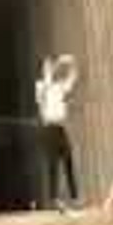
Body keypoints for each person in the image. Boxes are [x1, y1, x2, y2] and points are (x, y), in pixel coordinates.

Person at [36, 54, 79, 211]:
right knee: (52, 162)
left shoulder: (59, 86)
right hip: (48, 128)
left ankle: (74, 197)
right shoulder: (41, 86)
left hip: (60, 127)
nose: (50, 68)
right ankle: (54, 197)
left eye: (51, 66)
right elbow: (41, 99)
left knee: (68, 158)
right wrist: (48, 73)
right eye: (47, 66)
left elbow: (73, 79)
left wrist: (71, 62)